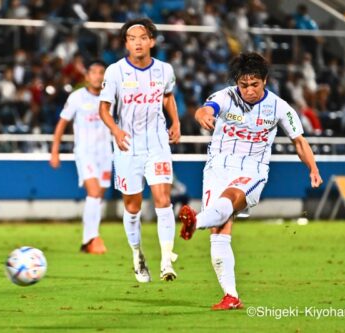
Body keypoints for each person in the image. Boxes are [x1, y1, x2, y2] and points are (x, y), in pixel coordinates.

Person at [178, 52, 322, 310]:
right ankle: (231, 296)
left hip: (252, 170)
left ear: (265, 81)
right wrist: (203, 115)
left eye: (255, 84)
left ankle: (195, 221)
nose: (249, 90)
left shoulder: (280, 107)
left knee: (230, 198)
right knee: (220, 232)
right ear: (237, 82)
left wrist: (312, 167)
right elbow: (206, 108)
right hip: (217, 168)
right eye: (244, 85)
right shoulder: (225, 96)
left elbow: (299, 140)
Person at [99, 18, 181, 282]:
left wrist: (176, 121)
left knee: (163, 200)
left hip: (157, 143)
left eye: (142, 37)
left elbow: (167, 96)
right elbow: (104, 108)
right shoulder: (115, 72)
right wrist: (116, 130)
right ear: (126, 44)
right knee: (132, 207)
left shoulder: (165, 70)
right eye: (132, 38)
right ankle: (137, 253)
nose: (137, 42)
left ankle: (167, 260)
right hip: (127, 146)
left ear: (152, 41)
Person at [50, 60, 111, 254]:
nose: (97, 76)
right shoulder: (77, 97)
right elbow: (61, 124)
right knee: (93, 192)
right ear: (87, 76)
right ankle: (92, 238)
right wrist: (55, 151)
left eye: (101, 72)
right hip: (85, 152)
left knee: (98, 196)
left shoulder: (110, 98)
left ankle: (88, 240)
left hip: (105, 152)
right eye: (94, 72)